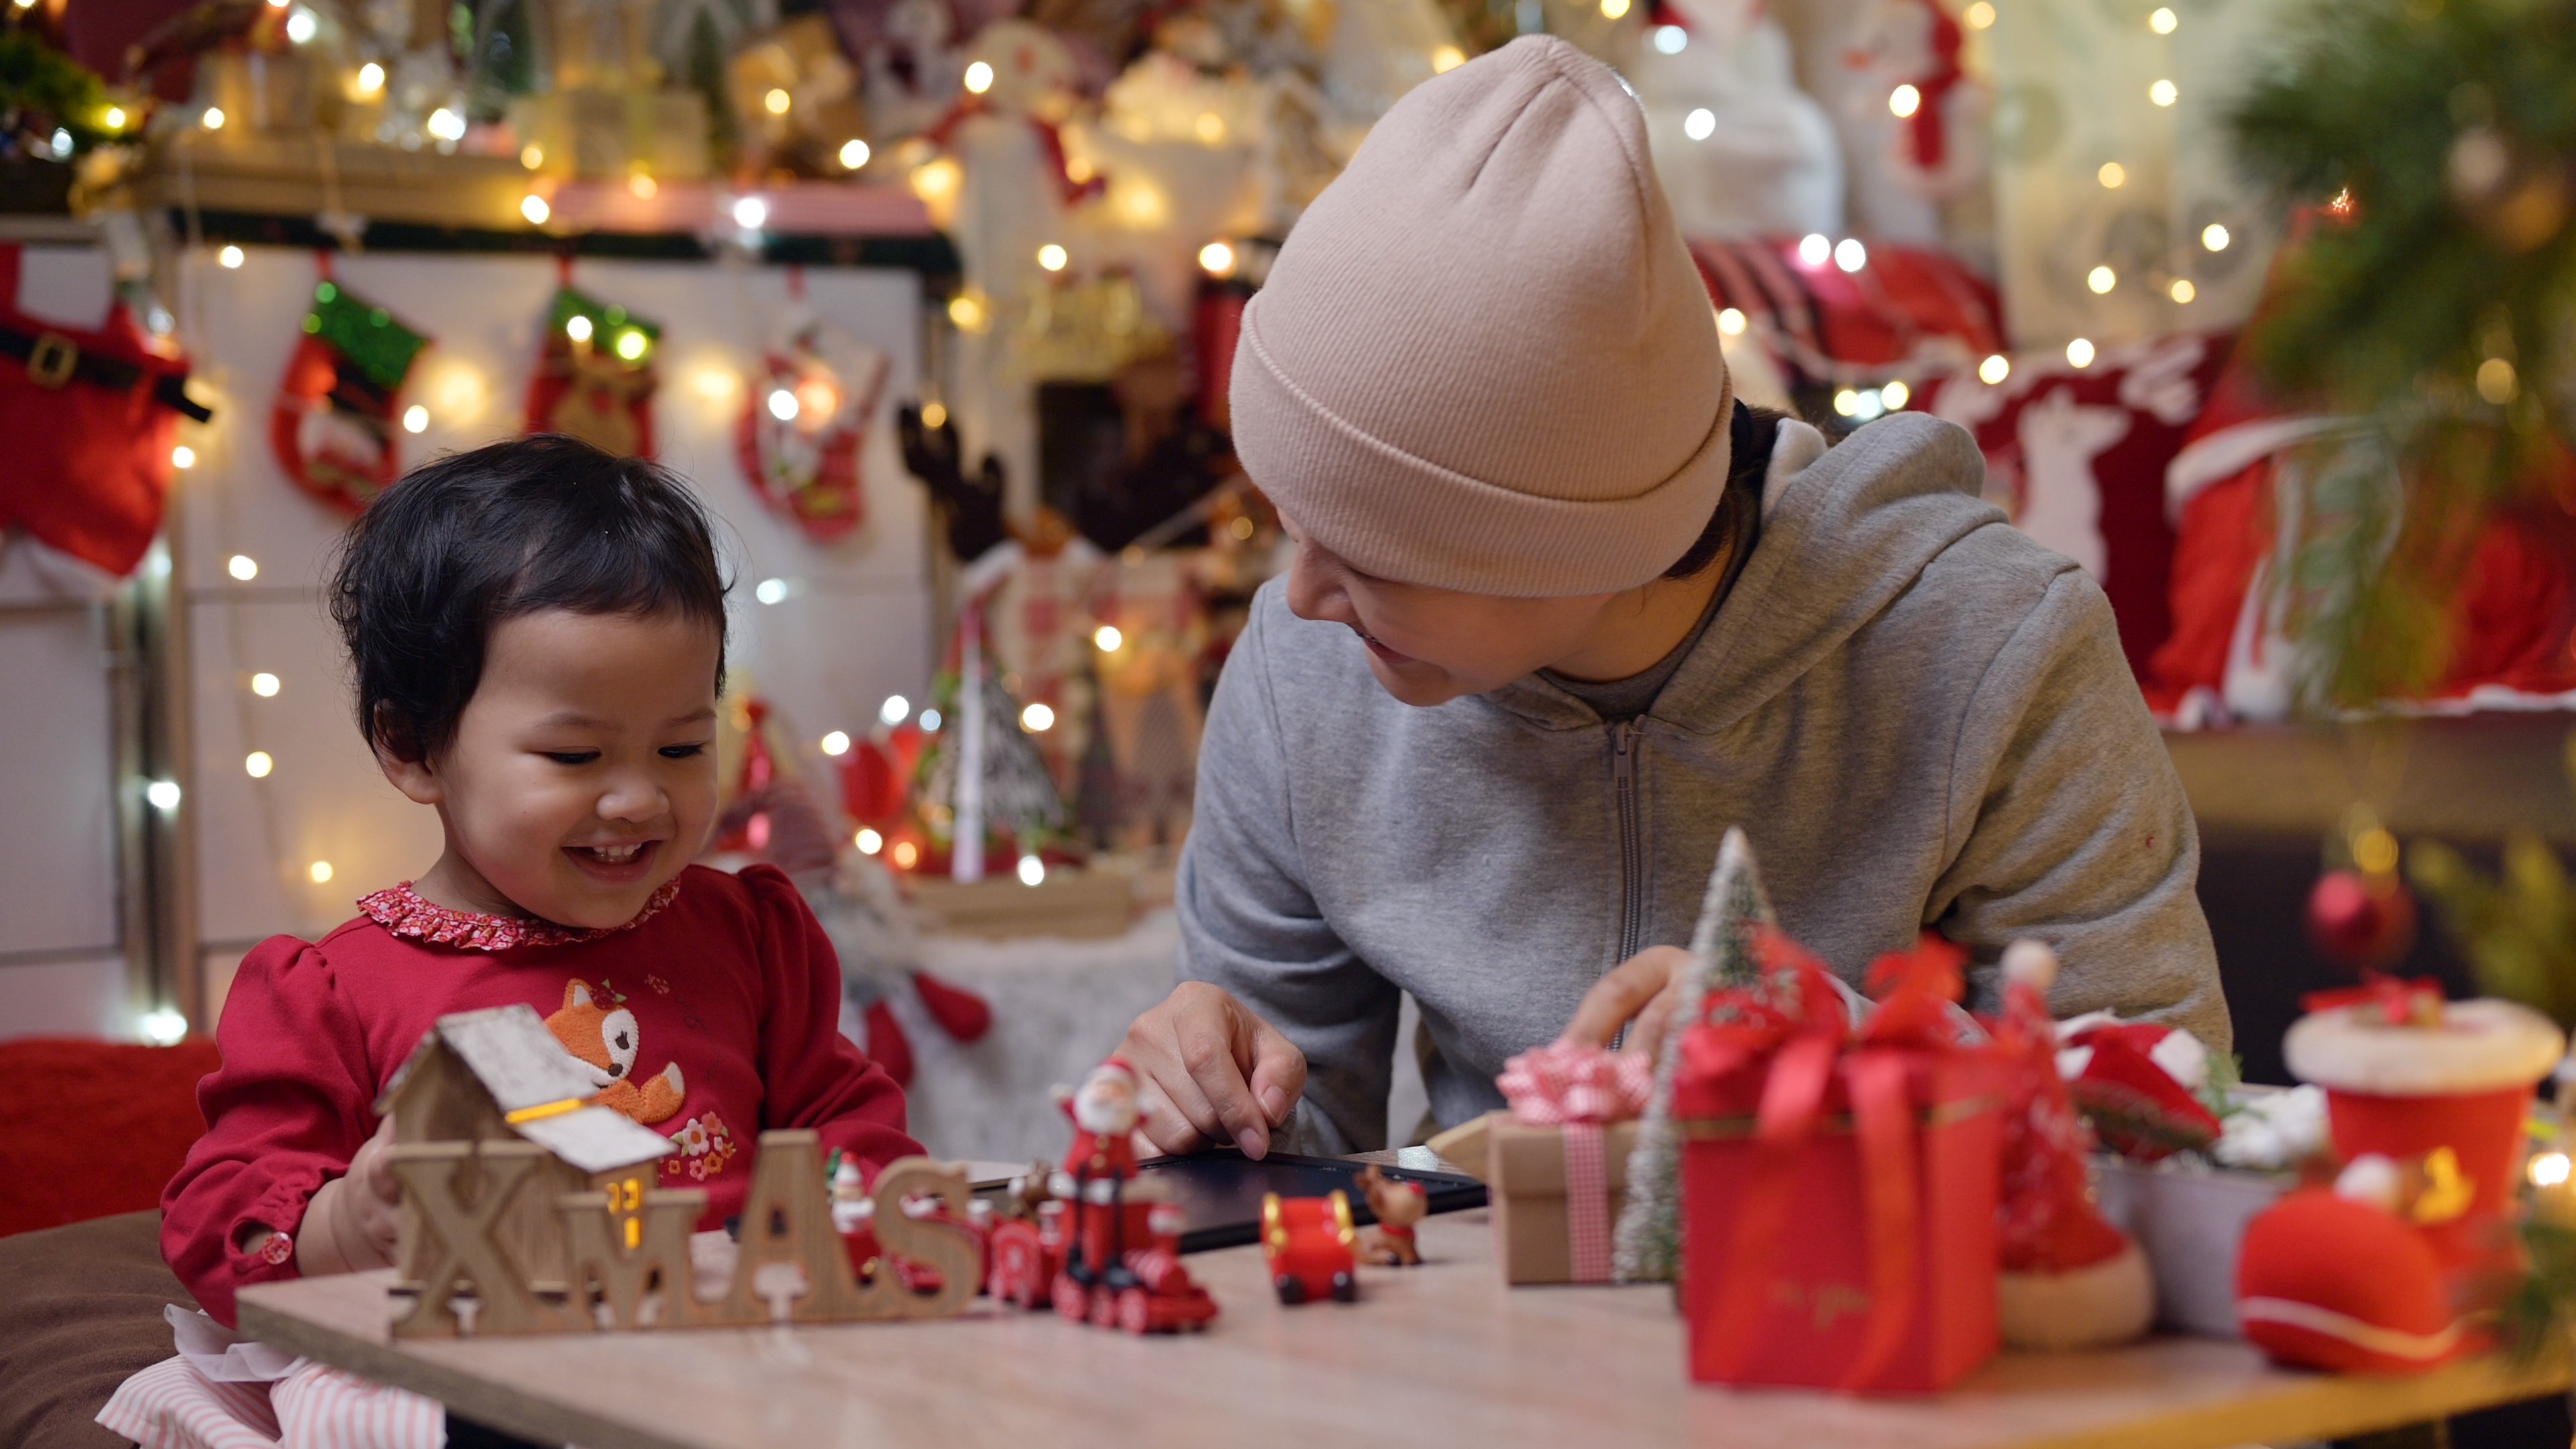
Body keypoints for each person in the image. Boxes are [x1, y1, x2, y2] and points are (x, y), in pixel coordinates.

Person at [1118, 35, 2229, 1159]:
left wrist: (1833, 1060)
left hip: (1879, 1312)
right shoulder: (1302, 677)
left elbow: (2166, 1123)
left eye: (1373, 556)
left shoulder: (1988, 647)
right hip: (1471, 1312)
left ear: (1583, 545)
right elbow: (1304, 1168)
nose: (1300, 600)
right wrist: (1211, 1113)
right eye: (1289, 523)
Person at [162, 435, 919, 1325]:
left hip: (739, 1340)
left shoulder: (746, 933)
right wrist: (351, 1224)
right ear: (412, 748)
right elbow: (221, 1227)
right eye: (575, 755)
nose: (639, 798)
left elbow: (844, 1116)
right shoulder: (333, 994)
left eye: (682, 746)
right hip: (498, 1356)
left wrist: (856, 1209)